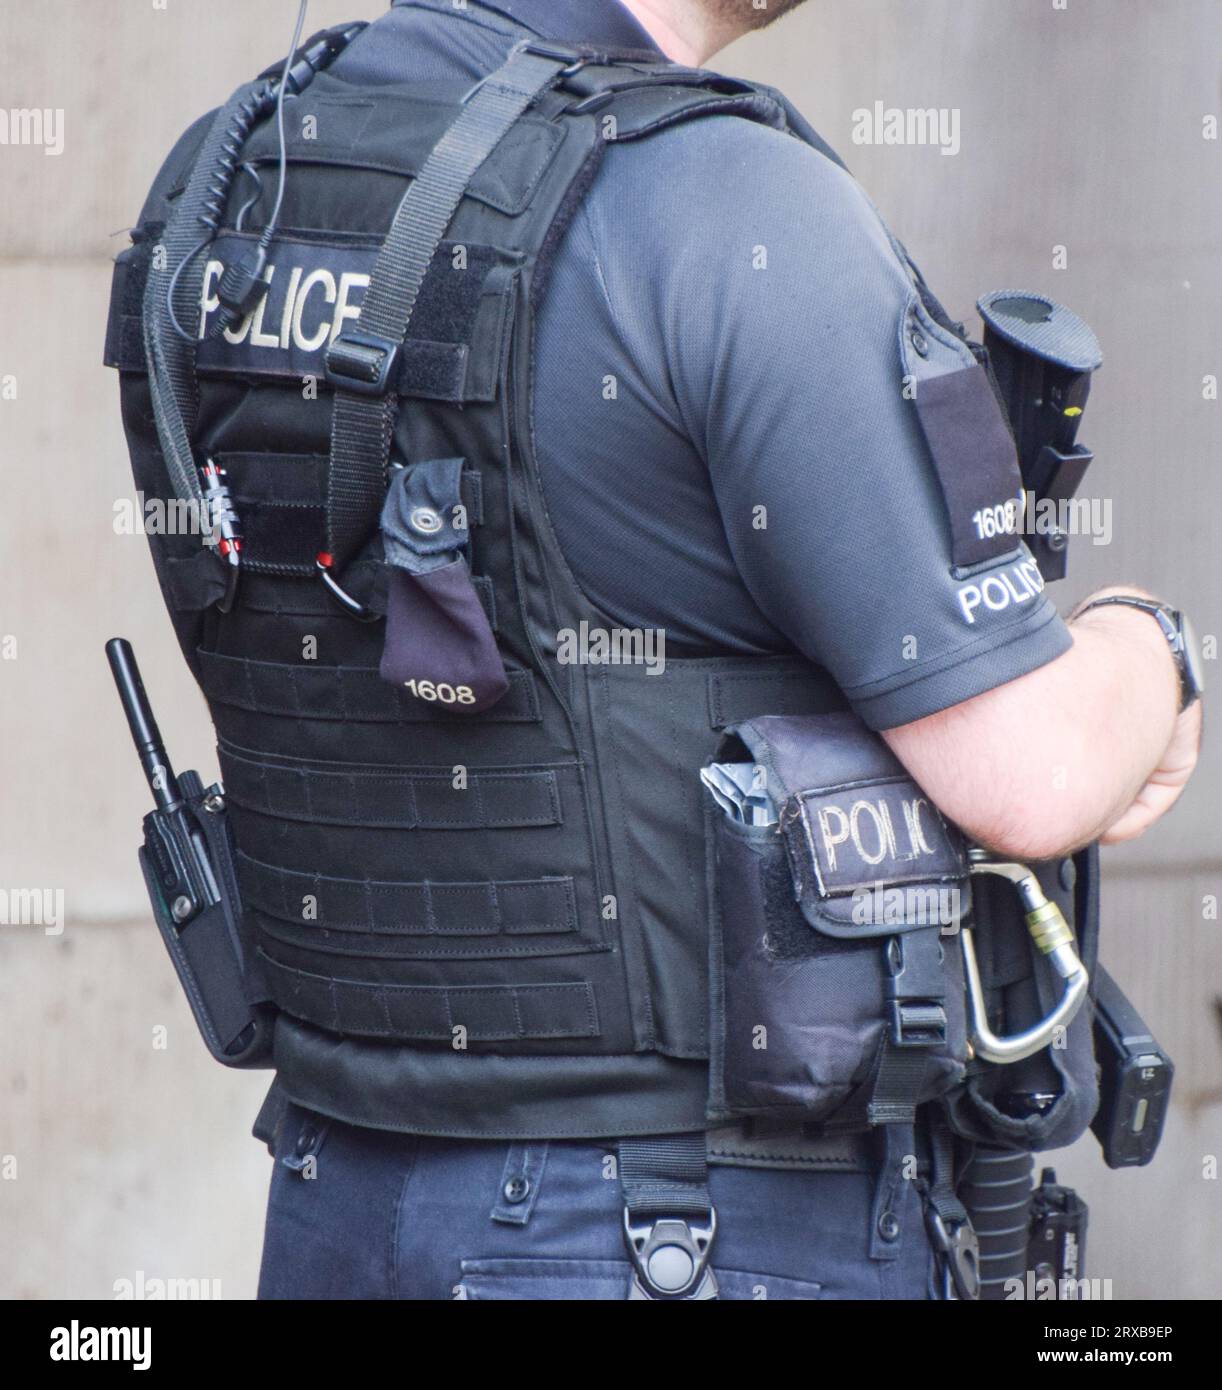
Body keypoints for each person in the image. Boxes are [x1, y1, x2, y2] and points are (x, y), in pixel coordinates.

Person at [114, 0, 1202, 1300]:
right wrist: (1152, 656)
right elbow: (1023, 770)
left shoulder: (226, 176)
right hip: (685, 1223)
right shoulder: (729, 203)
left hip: (336, 1199)